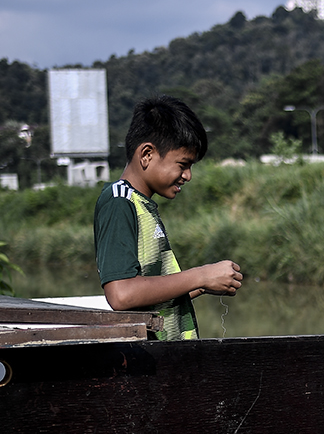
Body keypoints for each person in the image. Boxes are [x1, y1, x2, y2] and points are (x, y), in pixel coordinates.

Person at [94, 95, 243, 339]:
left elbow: (150, 293)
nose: (188, 176)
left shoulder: (142, 204)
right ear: (147, 155)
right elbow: (121, 294)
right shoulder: (119, 201)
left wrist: (202, 285)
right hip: (151, 365)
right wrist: (201, 275)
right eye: (183, 164)